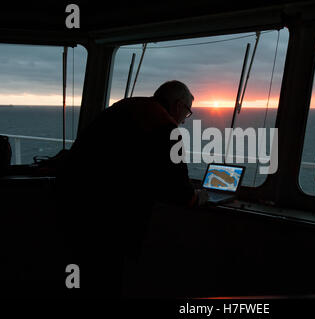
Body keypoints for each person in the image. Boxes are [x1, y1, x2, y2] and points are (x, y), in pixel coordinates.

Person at [56, 80, 208, 298]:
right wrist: (198, 197)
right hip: (110, 221)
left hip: (74, 203)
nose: (184, 120)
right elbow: (180, 193)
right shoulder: (165, 126)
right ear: (177, 105)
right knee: (107, 280)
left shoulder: (125, 106)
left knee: (80, 274)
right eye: (187, 111)